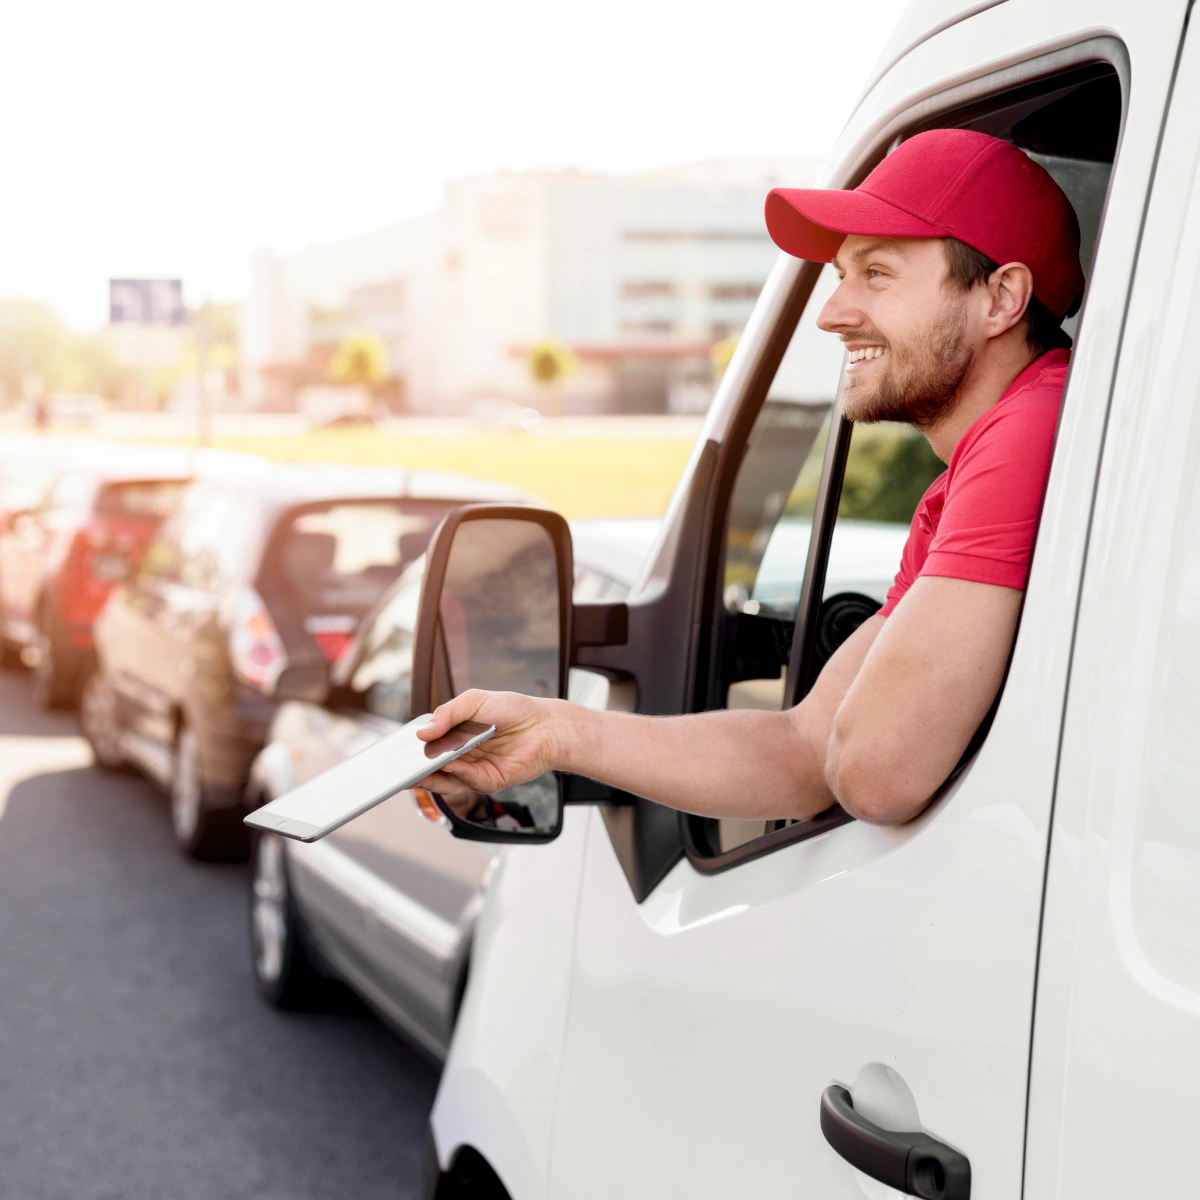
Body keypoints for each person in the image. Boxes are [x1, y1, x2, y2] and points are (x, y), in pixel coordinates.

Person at [418, 129, 1085, 827]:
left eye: (878, 274)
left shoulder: (1033, 426)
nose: (832, 313)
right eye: (840, 277)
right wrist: (556, 733)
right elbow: (805, 749)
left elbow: (876, 772)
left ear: (1002, 298)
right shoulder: (979, 464)